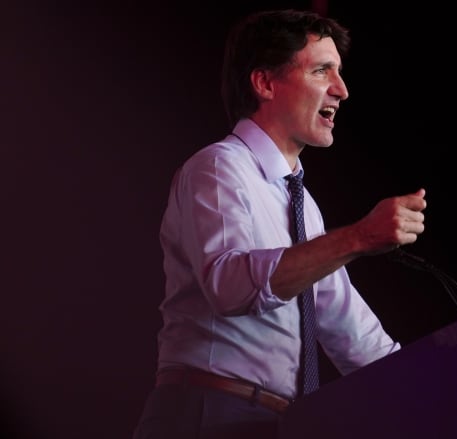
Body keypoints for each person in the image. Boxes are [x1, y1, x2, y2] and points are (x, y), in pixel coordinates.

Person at [132, 8, 427, 439]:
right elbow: (230, 285)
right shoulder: (218, 168)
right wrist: (361, 236)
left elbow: (350, 329)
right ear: (265, 82)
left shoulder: (302, 203)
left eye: (340, 72)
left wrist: (439, 384)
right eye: (322, 70)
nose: (341, 90)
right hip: (206, 413)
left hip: (275, 424)